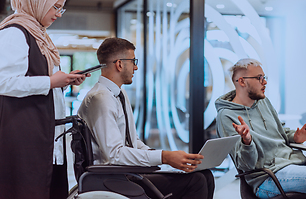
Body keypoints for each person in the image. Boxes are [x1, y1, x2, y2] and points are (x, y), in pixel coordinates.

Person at [78, 37, 214, 199]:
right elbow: (115, 154)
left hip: (128, 172)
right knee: (196, 180)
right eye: (133, 61)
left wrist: (167, 157)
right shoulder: (100, 98)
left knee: (205, 174)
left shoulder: (119, 94)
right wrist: (164, 157)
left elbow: (133, 142)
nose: (136, 67)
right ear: (119, 64)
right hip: (112, 177)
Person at [0, 0, 87, 199]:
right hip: (24, 139)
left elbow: (37, 81)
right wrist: (50, 82)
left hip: (43, 137)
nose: (59, 14)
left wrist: (63, 82)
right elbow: (4, 83)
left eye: (61, 8)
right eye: (55, 6)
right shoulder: (15, 33)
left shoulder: (39, 35)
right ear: (35, 0)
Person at [215, 58, 306, 198]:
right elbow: (246, 165)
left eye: (264, 77)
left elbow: (280, 131)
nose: (264, 82)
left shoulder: (263, 102)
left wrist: (295, 136)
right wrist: (247, 142)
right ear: (241, 81)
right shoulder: (227, 116)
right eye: (259, 78)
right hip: (268, 177)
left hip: (295, 163)